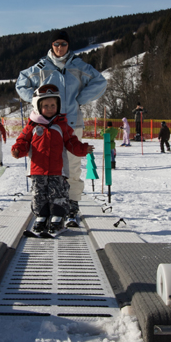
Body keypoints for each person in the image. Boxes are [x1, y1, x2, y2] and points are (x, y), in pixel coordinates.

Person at [16, 30, 107, 225]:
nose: (59, 48)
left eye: (63, 44)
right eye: (56, 44)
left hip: (71, 123)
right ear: (51, 45)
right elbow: (21, 83)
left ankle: (72, 206)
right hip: (44, 126)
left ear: (68, 45)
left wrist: (79, 99)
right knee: (45, 168)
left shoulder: (78, 65)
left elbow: (100, 81)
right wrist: (35, 101)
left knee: (72, 168)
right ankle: (47, 208)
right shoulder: (41, 67)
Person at [11, 84, 93, 233]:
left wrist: (82, 149)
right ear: (37, 107)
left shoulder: (62, 125)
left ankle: (57, 217)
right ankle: (41, 217)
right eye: (46, 105)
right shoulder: (32, 126)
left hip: (57, 169)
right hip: (37, 170)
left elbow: (71, 142)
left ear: (58, 105)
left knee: (58, 193)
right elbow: (23, 141)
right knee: (39, 194)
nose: (50, 108)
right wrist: (18, 150)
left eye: (53, 105)